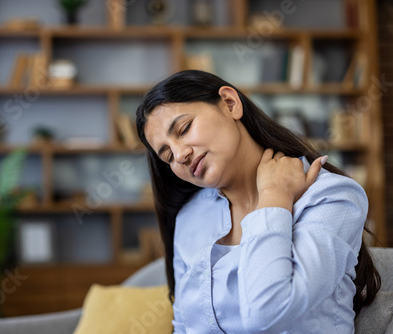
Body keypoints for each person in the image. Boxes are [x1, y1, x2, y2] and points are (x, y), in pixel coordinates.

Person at [135, 70, 381, 333]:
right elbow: (184, 325)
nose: (180, 155)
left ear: (230, 103)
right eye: (168, 155)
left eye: (184, 129)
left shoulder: (331, 197)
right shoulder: (190, 217)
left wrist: (274, 198)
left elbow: (268, 312)